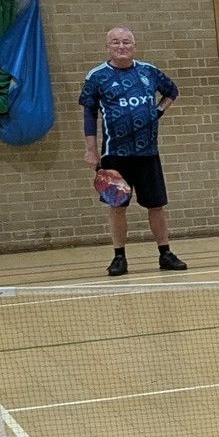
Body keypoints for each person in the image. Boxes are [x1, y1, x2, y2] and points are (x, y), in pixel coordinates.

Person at [80, 27, 185, 276]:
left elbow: (171, 91)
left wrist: (157, 111)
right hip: (115, 154)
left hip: (148, 152)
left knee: (156, 205)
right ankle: (119, 257)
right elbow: (89, 114)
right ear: (108, 47)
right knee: (117, 207)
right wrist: (91, 150)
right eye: (116, 42)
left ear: (134, 46)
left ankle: (165, 253)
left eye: (126, 42)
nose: (121, 46)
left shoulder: (148, 71)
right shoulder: (96, 76)